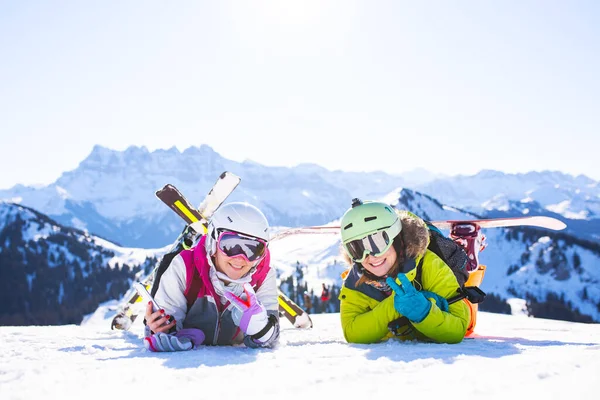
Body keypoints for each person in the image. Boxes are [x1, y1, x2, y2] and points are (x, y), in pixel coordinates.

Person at [143, 202, 280, 351]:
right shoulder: (185, 266)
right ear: (213, 242)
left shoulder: (263, 275)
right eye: (231, 245)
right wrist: (162, 329)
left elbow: (271, 339)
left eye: (253, 249)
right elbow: (165, 323)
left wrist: (261, 329)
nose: (240, 258)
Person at [338, 199, 470, 344]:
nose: (370, 256)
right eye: (356, 248)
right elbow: (352, 333)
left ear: (396, 239)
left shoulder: (429, 265)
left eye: (377, 242)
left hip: (449, 284)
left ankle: (466, 246)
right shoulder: (357, 279)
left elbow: (458, 329)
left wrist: (424, 311)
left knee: (470, 316)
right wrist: (393, 307)